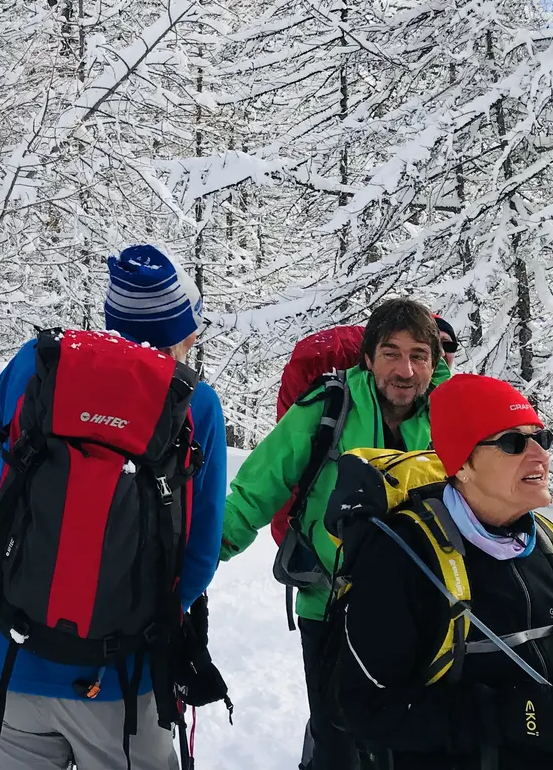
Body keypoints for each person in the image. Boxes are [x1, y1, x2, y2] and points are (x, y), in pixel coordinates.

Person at [0, 244, 227, 770]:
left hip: (6, 656)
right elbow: (197, 558)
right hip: (121, 683)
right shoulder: (195, 403)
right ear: (180, 330)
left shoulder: (30, 366)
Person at [221, 300, 452, 770]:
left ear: (434, 361)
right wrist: (185, 566)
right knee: (337, 743)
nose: (405, 370)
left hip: (428, 611)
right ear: (368, 358)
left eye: (418, 355)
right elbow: (252, 493)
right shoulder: (328, 407)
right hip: (332, 607)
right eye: (391, 352)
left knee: (417, 743)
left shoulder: (453, 416)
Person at [337, 373, 553, 769]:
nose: (540, 454)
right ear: (463, 463)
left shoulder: (544, 538)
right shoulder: (404, 556)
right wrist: (515, 716)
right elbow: (369, 708)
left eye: (542, 437)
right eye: (513, 442)